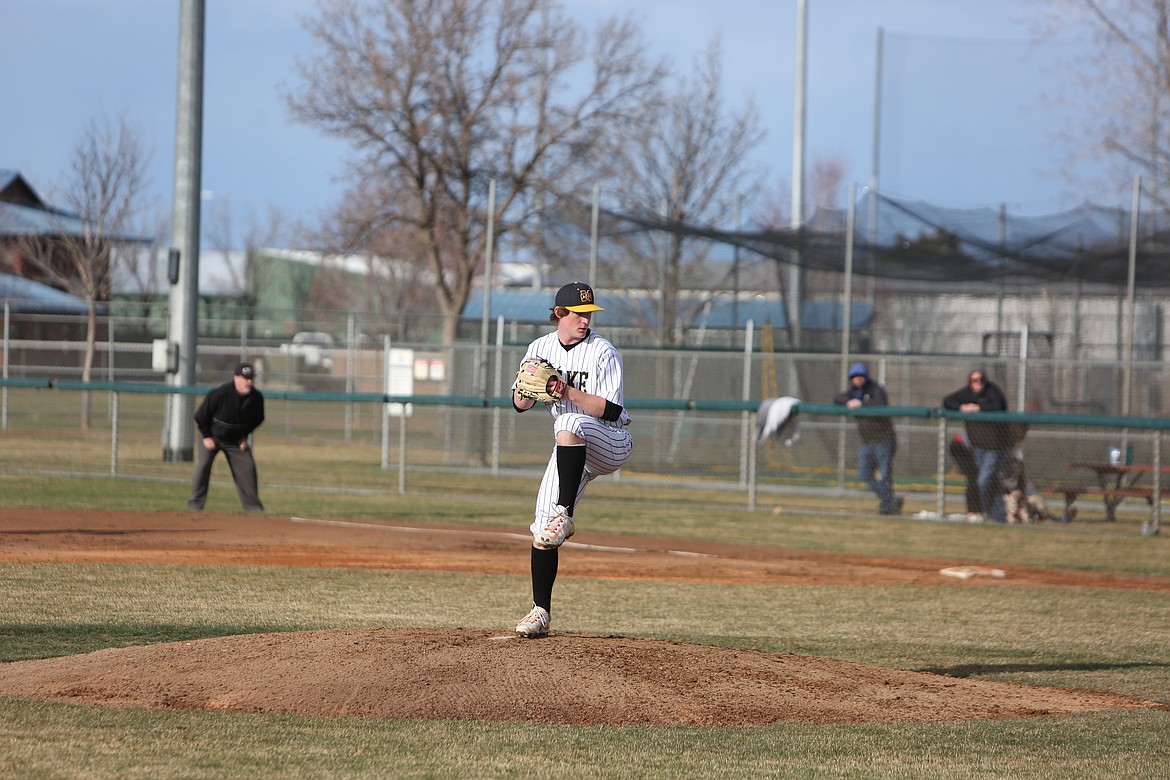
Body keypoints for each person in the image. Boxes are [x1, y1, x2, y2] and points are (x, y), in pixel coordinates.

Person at [511, 282, 633, 638]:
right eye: (579, 314)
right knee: (541, 530)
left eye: (589, 314)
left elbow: (612, 411)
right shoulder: (539, 348)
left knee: (567, 420)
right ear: (559, 313)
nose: (585, 321)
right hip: (571, 450)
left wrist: (565, 390)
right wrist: (526, 392)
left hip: (610, 442)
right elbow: (519, 404)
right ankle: (540, 612)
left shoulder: (603, 352)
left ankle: (565, 514)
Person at [186, 361, 266, 513]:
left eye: (251, 378)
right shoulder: (219, 394)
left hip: (235, 441)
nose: (248, 382)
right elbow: (201, 416)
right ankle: (194, 507)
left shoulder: (256, 398)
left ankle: (253, 509)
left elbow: (258, 419)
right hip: (212, 437)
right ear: (236, 378)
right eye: (245, 378)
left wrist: (245, 435)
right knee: (203, 466)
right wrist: (207, 436)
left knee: (248, 467)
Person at [833, 362, 902, 515]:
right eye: (854, 377)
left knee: (884, 475)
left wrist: (861, 404)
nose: (857, 380)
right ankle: (890, 500)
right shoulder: (852, 392)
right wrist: (848, 401)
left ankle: (887, 508)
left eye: (860, 377)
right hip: (867, 441)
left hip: (884, 439)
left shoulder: (875, 389)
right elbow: (837, 398)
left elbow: (879, 403)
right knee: (864, 474)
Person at [942, 369, 1011, 523]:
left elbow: (998, 405)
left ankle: (989, 512)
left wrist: (978, 408)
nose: (977, 383)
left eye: (980, 380)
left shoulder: (992, 391)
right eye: (974, 380)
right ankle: (998, 516)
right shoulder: (967, 393)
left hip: (996, 446)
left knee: (983, 480)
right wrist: (962, 407)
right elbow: (947, 401)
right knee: (989, 481)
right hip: (978, 445)